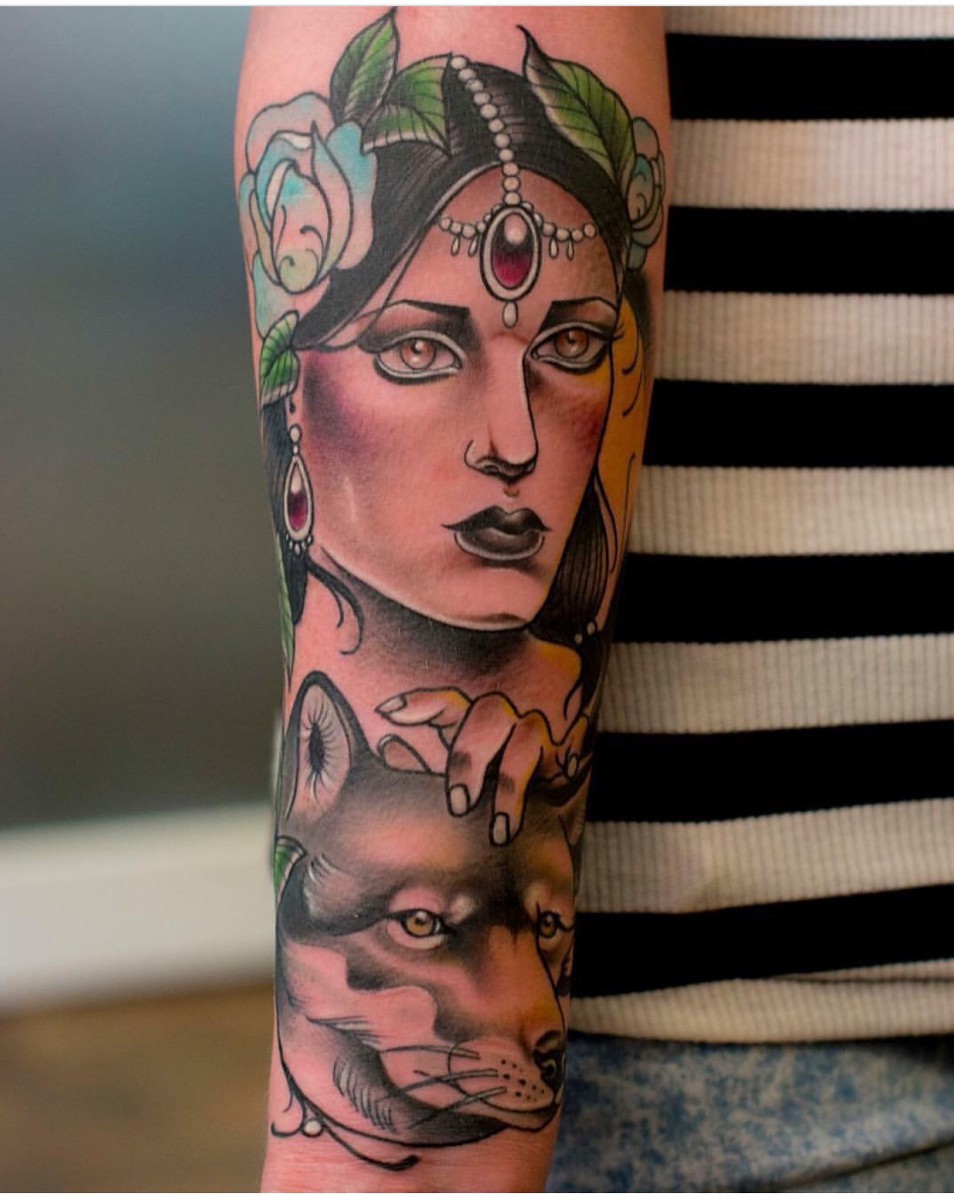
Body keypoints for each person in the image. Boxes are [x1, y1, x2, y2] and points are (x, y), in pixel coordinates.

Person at [235, 7, 668, 1190]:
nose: (514, 441)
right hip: (646, 1106)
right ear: (294, 404)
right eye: (421, 350)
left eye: (571, 347)